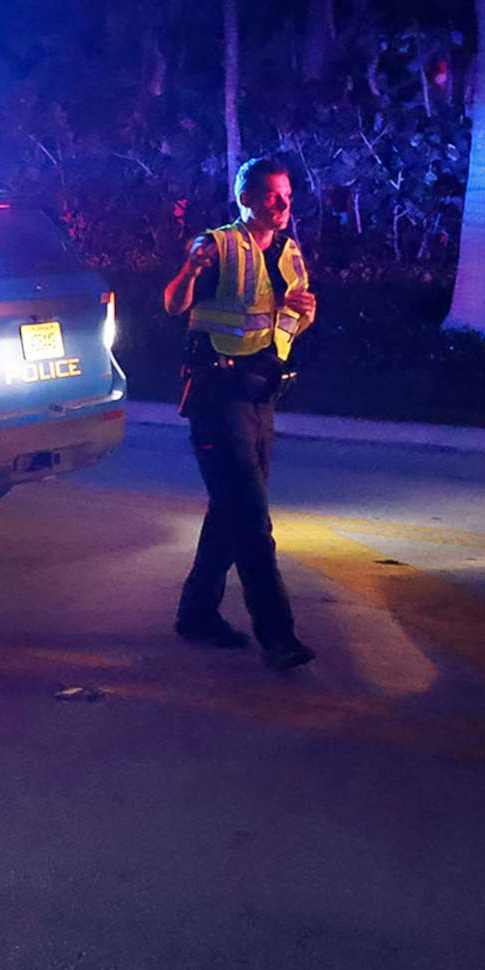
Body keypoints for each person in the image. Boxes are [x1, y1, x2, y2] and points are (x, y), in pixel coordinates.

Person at [162, 156, 318, 672]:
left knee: (230, 508)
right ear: (245, 198)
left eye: (287, 195)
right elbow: (173, 303)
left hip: (261, 396)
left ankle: (198, 612)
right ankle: (279, 637)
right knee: (251, 518)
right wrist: (190, 270)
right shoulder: (218, 245)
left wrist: (302, 316)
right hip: (217, 395)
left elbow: (284, 321)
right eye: (272, 195)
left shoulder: (290, 253)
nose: (282, 205)